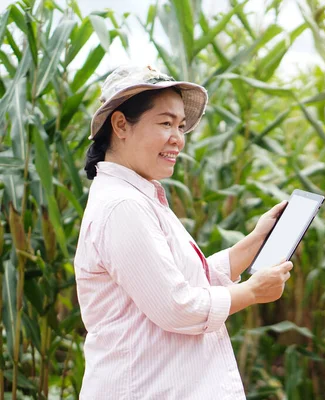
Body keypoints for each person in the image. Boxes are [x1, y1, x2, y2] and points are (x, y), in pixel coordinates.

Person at [74, 65, 293, 399]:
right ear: (120, 125)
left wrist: (255, 241)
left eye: (180, 125)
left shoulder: (140, 197)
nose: (178, 137)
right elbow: (177, 306)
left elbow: (183, 279)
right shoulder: (123, 207)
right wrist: (252, 292)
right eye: (165, 123)